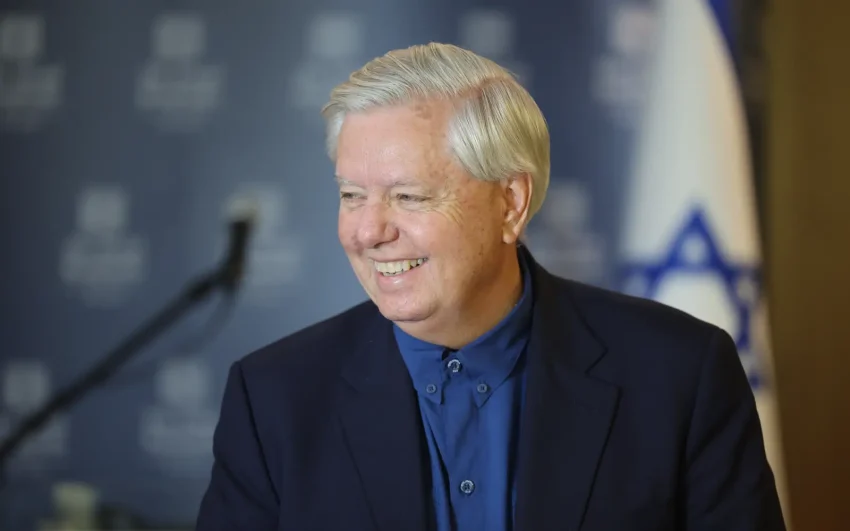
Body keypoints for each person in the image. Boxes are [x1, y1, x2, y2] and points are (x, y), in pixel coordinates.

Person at [196, 43, 785, 531]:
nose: (368, 231)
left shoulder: (680, 373)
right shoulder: (274, 397)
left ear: (511, 203)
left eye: (409, 196)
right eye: (352, 196)